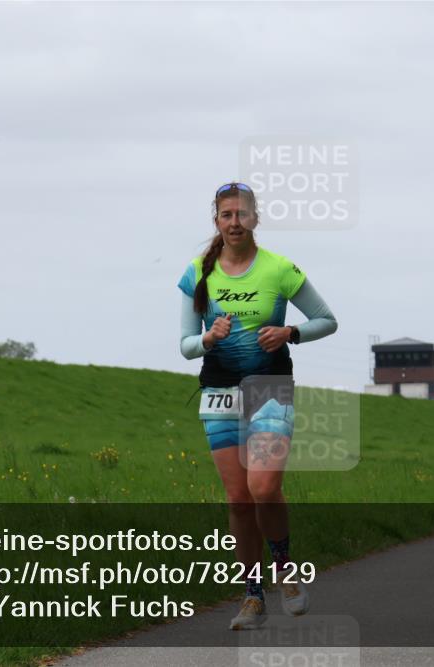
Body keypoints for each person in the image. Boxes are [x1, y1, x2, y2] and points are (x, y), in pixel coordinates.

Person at [178, 182, 337, 630]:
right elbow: (186, 345)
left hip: (270, 387)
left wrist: (290, 333)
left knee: (263, 488)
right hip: (220, 393)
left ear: (255, 218)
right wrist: (209, 337)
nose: (235, 222)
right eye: (226, 215)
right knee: (239, 500)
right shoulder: (197, 273)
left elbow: (327, 320)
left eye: (242, 214)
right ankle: (252, 596)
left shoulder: (279, 269)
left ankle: (284, 568)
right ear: (216, 220)